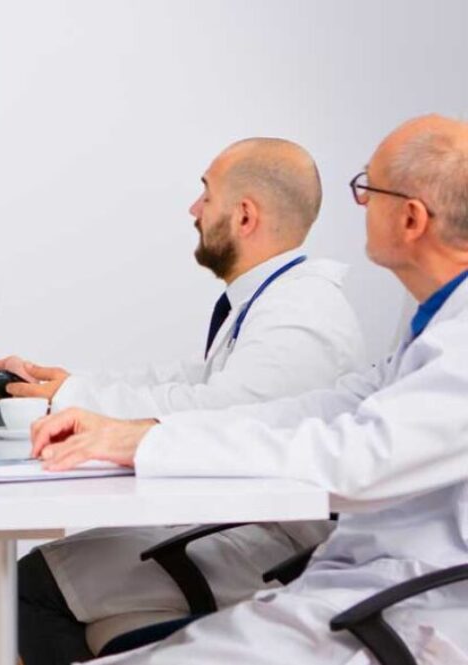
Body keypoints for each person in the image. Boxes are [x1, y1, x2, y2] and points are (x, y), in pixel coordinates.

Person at [34, 114, 468, 663]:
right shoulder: (434, 319)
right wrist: (138, 432)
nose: (358, 204)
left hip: (409, 608)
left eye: (367, 188)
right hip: (362, 580)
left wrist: (144, 441)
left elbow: (355, 459)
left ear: (410, 219)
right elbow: (334, 405)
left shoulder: (452, 340)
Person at [0, 138, 367, 664]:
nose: (194, 210)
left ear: (244, 216)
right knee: (39, 574)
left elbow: (225, 409)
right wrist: (69, 387)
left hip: (279, 547)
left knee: (32, 585)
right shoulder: (274, 299)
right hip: (241, 524)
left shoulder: (301, 314)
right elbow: (195, 381)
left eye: (206, 195)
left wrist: (104, 420)